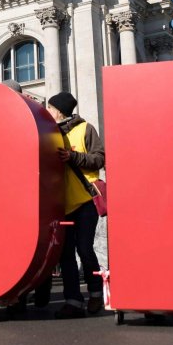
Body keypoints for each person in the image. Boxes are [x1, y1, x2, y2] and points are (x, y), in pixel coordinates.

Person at [46, 92, 105, 319]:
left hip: (85, 199)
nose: (47, 111)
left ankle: (96, 293)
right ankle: (73, 301)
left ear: (59, 110)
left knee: (85, 248)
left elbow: (99, 159)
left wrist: (73, 156)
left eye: (50, 108)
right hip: (62, 202)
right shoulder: (49, 132)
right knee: (66, 253)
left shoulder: (86, 128)